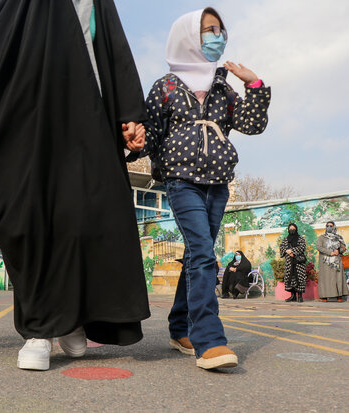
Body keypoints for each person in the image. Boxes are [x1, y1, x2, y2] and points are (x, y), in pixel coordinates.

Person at [0, 0, 150, 371]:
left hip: (86, 119)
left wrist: (130, 115)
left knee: (82, 221)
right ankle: (38, 331)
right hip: (29, 120)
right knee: (30, 222)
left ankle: (70, 319)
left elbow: (114, 52)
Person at [138, 7, 271, 369]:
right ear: (187, 37)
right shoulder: (165, 87)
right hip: (181, 182)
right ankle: (208, 339)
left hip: (218, 184)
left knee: (197, 257)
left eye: (221, 30)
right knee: (202, 253)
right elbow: (149, 136)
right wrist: (135, 140)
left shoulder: (222, 87)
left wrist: (254, 84)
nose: (218, 36)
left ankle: (179, 326)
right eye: (209, 30)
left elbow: (251, 124)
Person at [316, 222, 348, 302]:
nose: (329, 227)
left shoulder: (339, 237)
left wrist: (339, 251)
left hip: (336, 261)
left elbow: (343, 247)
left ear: (334, 227)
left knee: (338, 278)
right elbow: (319, 247)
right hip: (325, 261)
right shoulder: (322, 238)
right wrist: (330, 252)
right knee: (326, 278)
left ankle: (339, 296)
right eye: (327, 226)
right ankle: (324, 296)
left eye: (331, 226)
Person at [280, 223, 307, 303]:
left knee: (299, 278)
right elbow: (282, 247)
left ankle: (300, 297)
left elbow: (302, 247)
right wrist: (287, 251)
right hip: (289, 262)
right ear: (288, 230)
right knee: (291, 279)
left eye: (293, 229)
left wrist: (293, 251)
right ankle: (293, 296)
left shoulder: (300, 238)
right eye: (290, 229)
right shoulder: (286, 239)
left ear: (296, 229)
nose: (292, 230)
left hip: (298, 262)